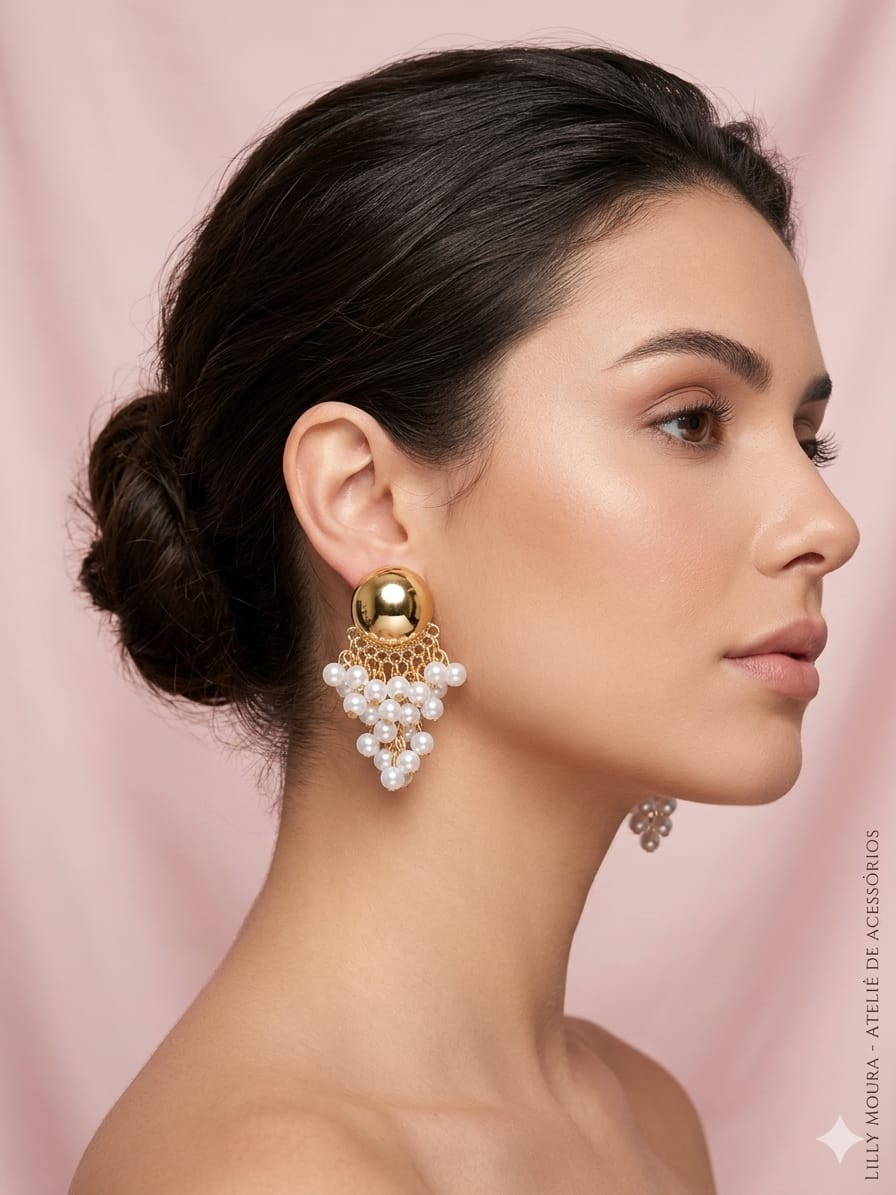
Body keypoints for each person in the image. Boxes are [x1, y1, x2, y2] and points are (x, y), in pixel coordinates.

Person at [67, 42, 859, 1194]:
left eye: (806, 439)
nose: (823, 525)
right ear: (367, 501)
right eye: (690, 420)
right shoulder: (268, 1174)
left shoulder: (642, 1120)